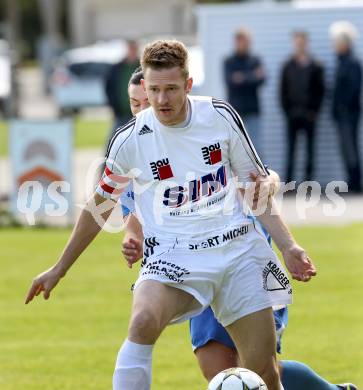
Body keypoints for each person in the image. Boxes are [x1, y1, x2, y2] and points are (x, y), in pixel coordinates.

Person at [26, 40, 317, 390]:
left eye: (170, 89)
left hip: (237, 252)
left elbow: (255, 190)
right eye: (154, 90)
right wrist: (60, 268)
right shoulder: (130, 139)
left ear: (188, 85)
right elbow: (100, 206)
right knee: (143, 319)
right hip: (174, 254)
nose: (161, 100)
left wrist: (288, 246)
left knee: (264, 374)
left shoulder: (219, 116)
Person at [280, 30, 325, 183]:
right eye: (297, 42)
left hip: (309, 115)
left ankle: (308, 183)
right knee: (291, 150)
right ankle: (290, 183)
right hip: (292, 115)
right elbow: (282, 91)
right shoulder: (287, 65)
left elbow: (321, 91)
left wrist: (315, 111)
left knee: (310, 150)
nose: (299, 45)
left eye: (302, 42)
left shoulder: (316, 65)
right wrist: (287, 111)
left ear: (306, 43)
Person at [330, 21, 362, 193]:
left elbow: (353, 89)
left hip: (349, 114)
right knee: (345, 148)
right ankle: (352, 180)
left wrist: (342, 107)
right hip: (342, 115)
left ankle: (356, 184)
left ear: (344, 43)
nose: (333, 45)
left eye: (336, 42)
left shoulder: (352, 62)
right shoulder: (341, 61)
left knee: (350, 148)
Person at [224, 27, 265, 151]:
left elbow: (261, 79)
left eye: (247, 41)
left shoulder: (255, 60)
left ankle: (259, 171)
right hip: (235, 112)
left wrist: (241, 77)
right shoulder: (229, 61)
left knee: (255, 148)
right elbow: (230, 81)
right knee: (235, 148)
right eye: (241, 41)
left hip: (253, 111)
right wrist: (252, 76)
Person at [105, 39, 140, 136]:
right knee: (114, 140)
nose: (132, 51)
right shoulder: (116, 68)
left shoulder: (142, 67)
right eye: (130, 48)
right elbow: (108, 87)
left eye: (134, 49)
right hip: (121, 113)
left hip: (139, 114)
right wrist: (113, 104)